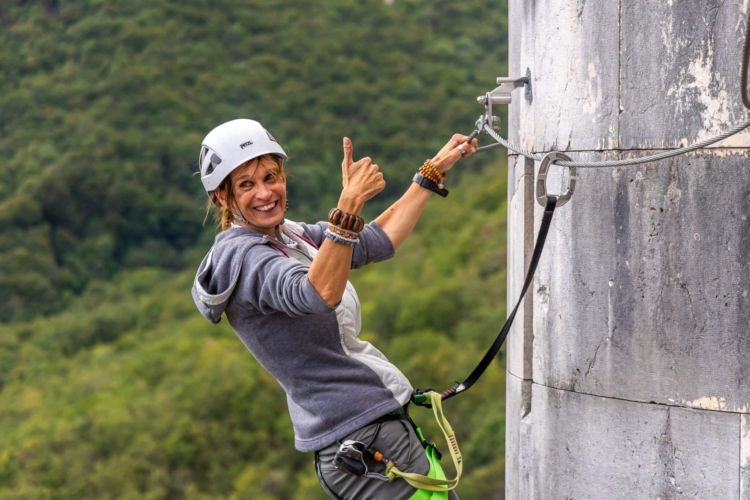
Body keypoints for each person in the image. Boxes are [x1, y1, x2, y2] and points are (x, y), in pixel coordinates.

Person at [192, 119, 478, 500]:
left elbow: (375, 240)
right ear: (222, 199)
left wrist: (430, 173)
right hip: (359, 441)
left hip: (372, 431)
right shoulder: (243, 258)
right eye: (246, 185)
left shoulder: (287, 236)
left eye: (271, 177)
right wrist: (348, 207)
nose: (265, 193)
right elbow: (314, 293)